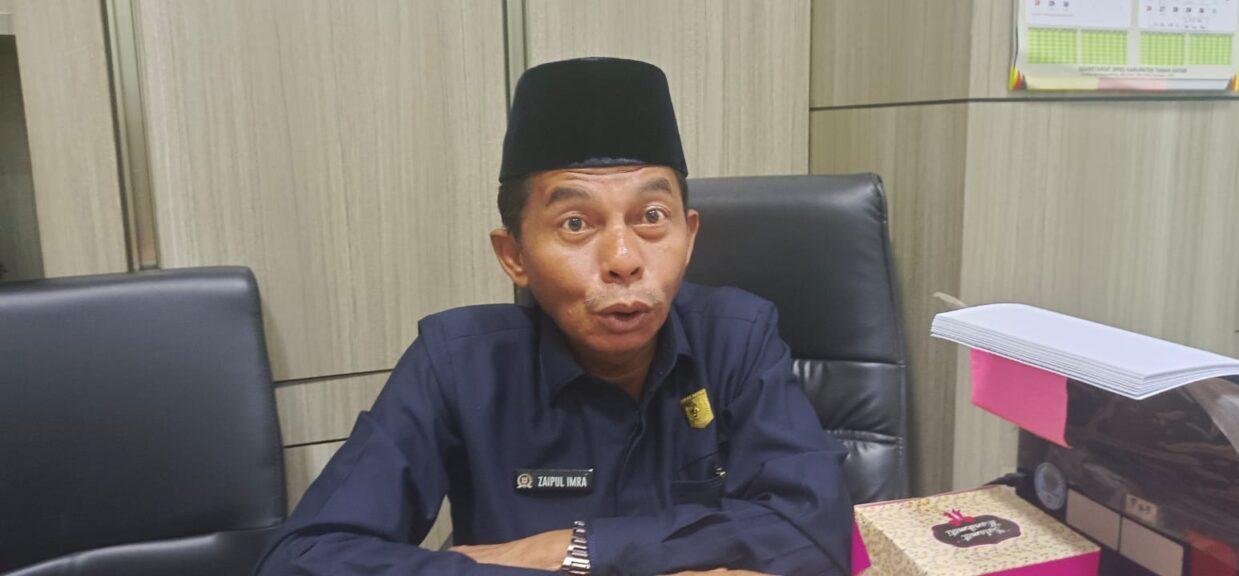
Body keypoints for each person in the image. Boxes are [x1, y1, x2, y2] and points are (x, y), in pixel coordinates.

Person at [255, 56, 853, 575]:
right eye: (575, 224)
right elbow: (303, 559)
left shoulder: (738, 339)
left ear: (689, 235)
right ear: (514, 255)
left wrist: (573, 549)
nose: (623, 260)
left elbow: (818, 530)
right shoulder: (458, 363)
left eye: (651, 217)